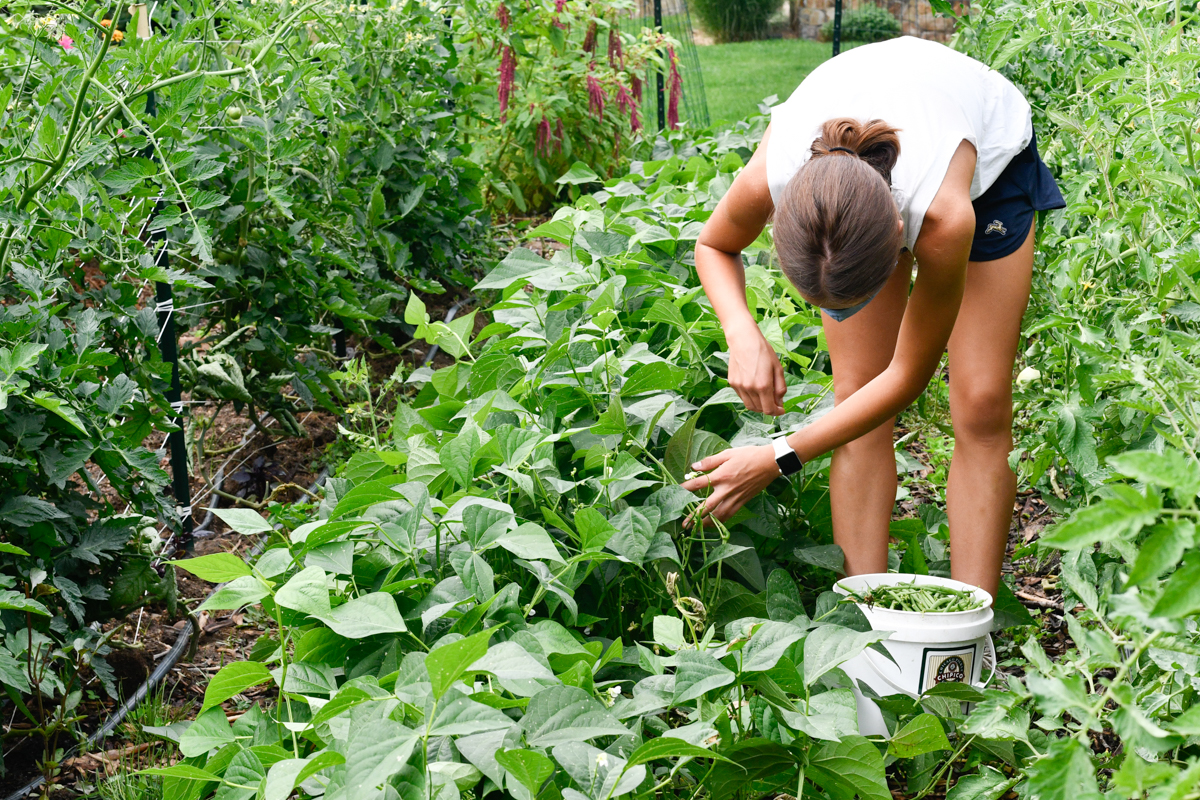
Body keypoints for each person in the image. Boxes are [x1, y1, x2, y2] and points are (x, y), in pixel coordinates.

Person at [678, 36, 1064, 598]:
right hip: (869, 148)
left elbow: (908, 375)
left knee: (981, 405)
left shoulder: (943, 216)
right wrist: (742, 334)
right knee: (857, 395)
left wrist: (778, 457)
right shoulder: (783, 168)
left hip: (986, 158)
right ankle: (865, 621)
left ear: (900, 245)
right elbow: (714, 246)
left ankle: (967, 623)